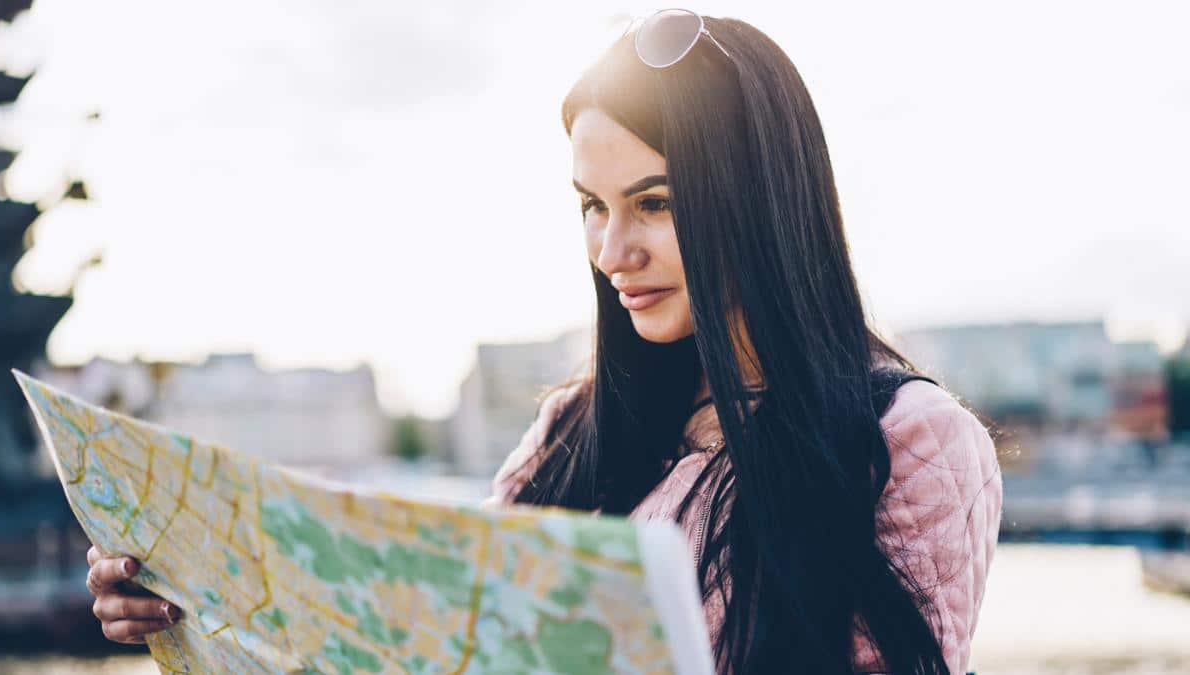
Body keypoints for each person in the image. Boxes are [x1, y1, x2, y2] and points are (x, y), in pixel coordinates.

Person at [85, 10, 1003, 674]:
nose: (613, 250)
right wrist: (191, 596)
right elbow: (418, 632)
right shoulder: (579, 426)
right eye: (593, 208)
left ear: (762, 197)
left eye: (656, 202)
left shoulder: (910, 442)